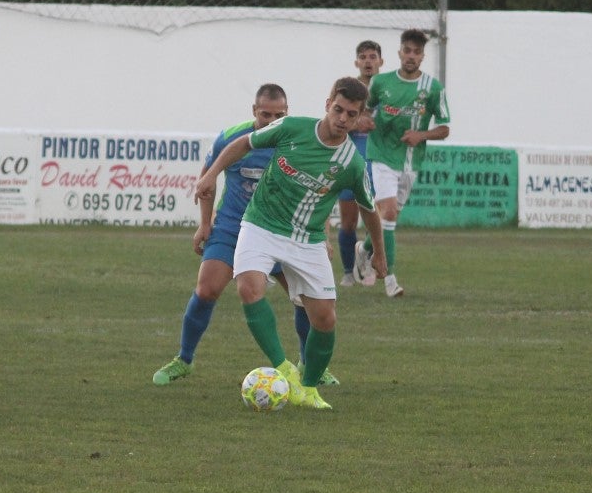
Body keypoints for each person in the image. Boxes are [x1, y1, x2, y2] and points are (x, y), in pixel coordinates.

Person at [193, 77, 388, 410]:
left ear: (359, 119)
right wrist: (211, 174)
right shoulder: (293, 128)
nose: (342, 119)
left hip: (306, 240)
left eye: (351, 114)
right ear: (327, 103)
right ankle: (284, 368)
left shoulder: (352, 164)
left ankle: (308, 387)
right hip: (261, 224)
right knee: (248, 288)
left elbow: (369, 212)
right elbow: (243, 144)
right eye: (338, 109)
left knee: (325, 320)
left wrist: (379, 254)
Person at [152, 85, 337, 388]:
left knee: (307, 299)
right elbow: (207, 177)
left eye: (279, 115)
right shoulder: (233, 138)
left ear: (287, 113)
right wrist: (204, 224)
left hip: (283, 231)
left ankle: (309, 364)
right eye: (266, 114)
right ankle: (183, 360)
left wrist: (324, 237)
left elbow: (317, 195)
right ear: (254, 111)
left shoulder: (296, 142)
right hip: (233, 227)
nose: (272, 120)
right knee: (206, 289)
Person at [353, 28, 451, 298]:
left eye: (416, 52)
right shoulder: (381, 83)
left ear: (422, 56)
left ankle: (364, 250)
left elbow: (444, 128)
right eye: (407, 51)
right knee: (390, 213)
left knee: (387, 218)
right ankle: (390, 279)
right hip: (381, 156)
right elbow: (365, 110)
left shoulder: (432, 88)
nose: (411, 56)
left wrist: (422, 135)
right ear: (399, 53)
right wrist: (362, 119)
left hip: (410, 162)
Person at [336, 40, 382, 286]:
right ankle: (347, 271)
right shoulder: (346, 89)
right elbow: (334, 121)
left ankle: (369, 261)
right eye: (363, 57)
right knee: (349, 221)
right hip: (350, 159)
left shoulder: (388, 90)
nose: (367, 61)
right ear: (356, 62)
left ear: (381, 62)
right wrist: (356, 122)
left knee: (379, 217)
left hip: (379, 161)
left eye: (372, 56)